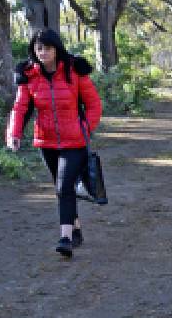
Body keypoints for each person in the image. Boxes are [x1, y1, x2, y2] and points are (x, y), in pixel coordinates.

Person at [6, 28, 103, 258]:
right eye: (38, 48)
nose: (43, 52)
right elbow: (20, 108)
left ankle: (65, 238)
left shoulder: (74, 70)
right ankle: (76, 229)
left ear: (56, 48)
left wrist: (84, 129)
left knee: (63, 186)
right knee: (63, 189)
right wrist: (14, 134)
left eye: (47, 48)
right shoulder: (28, 75)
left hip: (74, 142)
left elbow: (94, 105)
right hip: (46, 142)